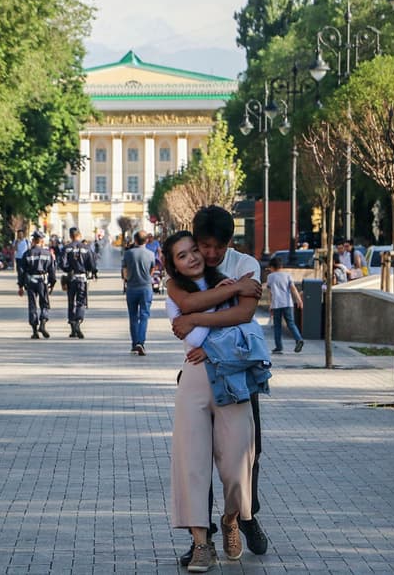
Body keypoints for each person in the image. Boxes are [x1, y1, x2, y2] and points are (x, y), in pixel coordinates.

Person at [168, 205, 268, 562]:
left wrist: (193, 319)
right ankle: (201, 540)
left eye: (216, 247)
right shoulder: (186, 268)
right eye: (203, 245)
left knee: (243, 457)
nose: (209, 254)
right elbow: (188, 300)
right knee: (194, 460)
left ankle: (242, 516)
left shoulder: (245, 265)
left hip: (236, 375)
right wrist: (229, 294)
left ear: (230, 242)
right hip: (195, 375)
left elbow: (244, 314)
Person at [122, 230, 156, 355]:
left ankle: (134, 343)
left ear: (135, 240)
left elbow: (124, 271)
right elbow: (152, 269)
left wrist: (128, 279)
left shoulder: (128, 254)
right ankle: (141, 343)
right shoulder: (151, 254)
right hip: (146, 288)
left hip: (131, 287)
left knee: (133, 316)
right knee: (144, 316)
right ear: (146, 240)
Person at [17, 230, 56, 339]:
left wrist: (21, 285)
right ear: (42, 241)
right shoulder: (48, 254)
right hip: (42, 282)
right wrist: (52, 283)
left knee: (32, 305)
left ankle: (34, 330)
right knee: (44, 303)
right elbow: (52, 270)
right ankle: (43, 323)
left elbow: (21, 271)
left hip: (30, 282)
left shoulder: (27, 254)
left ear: (33, 241)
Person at [61, 227, 97, 339]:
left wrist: (69, 269)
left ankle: (73, 327)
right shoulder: (86, 248)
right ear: (79, 235)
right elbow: (91, 264)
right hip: (82, 278)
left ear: (70, 236)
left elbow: (62, 264)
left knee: (71, 302)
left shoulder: (66, 248)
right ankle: (78, 321)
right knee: (81, 302)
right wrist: (92, 272)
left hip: (71, 278)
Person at [266, 256, 304, 354]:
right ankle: (298, 339)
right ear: (281, 266)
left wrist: (270, 305)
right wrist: (299, 300)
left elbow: (270, 292)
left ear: (272, 267)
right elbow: (293, 289)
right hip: (288, 303)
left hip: (276, 304)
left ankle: (278, 347)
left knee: (277, 326)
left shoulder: (270, 277)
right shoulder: (287, 275)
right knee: (291, 323)